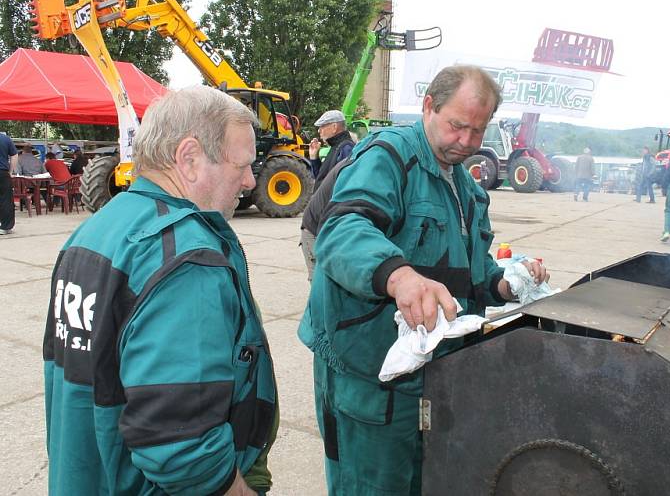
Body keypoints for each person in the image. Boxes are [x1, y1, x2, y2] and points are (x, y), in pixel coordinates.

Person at [298, 65, 548, 495]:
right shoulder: (388, 156)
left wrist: (507, 285)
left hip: (434, 377)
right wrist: (398, 276)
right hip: (370, 374)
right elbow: (341, 232)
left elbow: (471, 272)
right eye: (458, 126)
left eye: (478, 131)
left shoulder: (467, 190)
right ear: (428, 106)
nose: (467, 143)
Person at [43, 86, 279, 495]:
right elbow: (182, 445)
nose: (249, 180)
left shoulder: (95, 230)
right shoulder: (186, 260)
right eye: (242, 165)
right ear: (189, 159)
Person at [308, 109, 354, 192]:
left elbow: (342, 186)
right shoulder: (336, 147)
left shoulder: (346, 148)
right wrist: (314, 157)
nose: (319, 130)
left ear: (334, 127)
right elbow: (322, 179)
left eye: (322, 126)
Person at [0, 131, 18, 235]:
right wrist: (10, 172)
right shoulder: (5, 139)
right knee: (6, 199)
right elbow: (14, 155)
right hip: (2, 173)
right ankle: (5, 227)